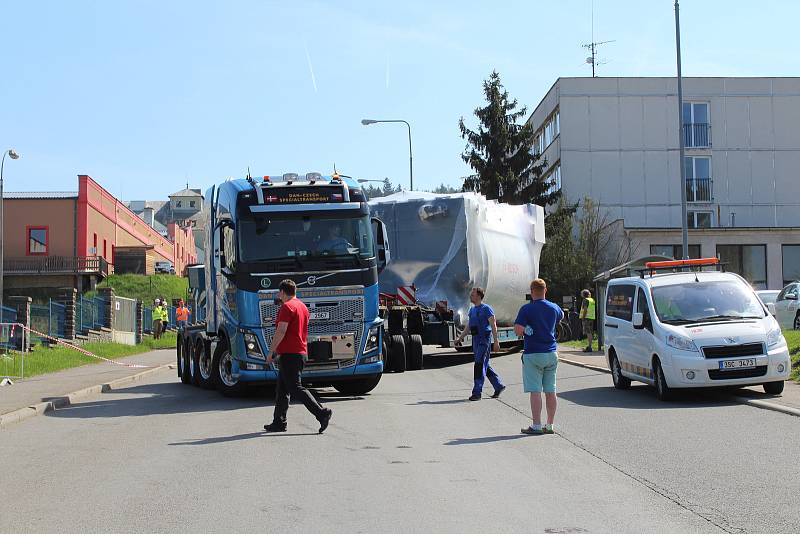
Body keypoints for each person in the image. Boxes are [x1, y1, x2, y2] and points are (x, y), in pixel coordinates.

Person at [264, 279, 333, 434]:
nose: (278, 295)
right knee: (282, 390)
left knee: (295, 387)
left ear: (282, 292)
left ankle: (322, 413)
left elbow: (281, 331)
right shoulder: (302, 306)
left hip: (290, 353)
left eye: (279, 292)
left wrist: (271, 351)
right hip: (299, 352)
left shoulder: (287, 307)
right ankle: (279, 422)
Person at [514, 278, 564, 435]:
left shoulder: (526, 309)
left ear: (531, 291)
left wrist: (527, 329)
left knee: (535, 391)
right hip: (551, 353)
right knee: (551, 390)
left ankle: (536, 425)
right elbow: (560, 317)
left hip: (533, 353)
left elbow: (518, 329)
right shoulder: (554, 307)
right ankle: (549, 425)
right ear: (545, 290)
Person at [454, 287, 505, 401]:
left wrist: (496, 342)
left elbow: (493, 326)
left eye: (472, 294)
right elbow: (469, 327)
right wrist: (460, 338)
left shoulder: (487, 309)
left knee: (479, 365)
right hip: (475, 341)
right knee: (484, 365)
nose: (470, 296)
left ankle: (477, 392)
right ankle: (498, 385)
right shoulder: (472, 310)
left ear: (478, 296)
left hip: (484, 340)